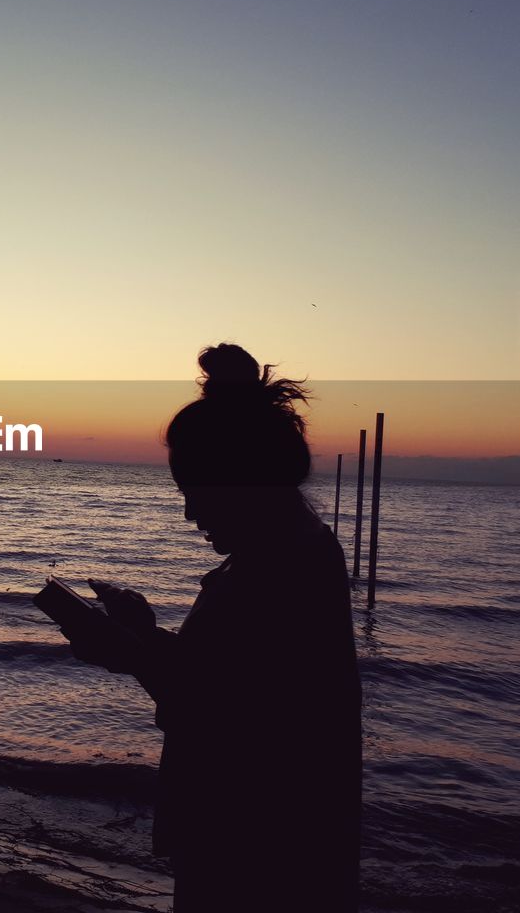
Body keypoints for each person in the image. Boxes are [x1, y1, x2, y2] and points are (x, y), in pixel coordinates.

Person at [61, 343, 361, 911]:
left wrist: (133, 652)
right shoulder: (283, 553)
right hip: (260, 841)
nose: (189, 514)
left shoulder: (281, 568)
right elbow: (228, 684)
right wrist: (143, 637)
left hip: (260, 853)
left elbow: (235, 718)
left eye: (193, 493)